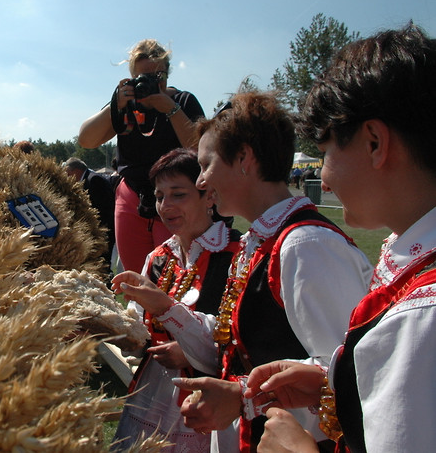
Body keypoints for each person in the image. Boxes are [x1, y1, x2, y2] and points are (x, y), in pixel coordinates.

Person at [113, 91, 371, 452]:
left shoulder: (305, 244)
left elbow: (352, 376)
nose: (202, 181)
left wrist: (243, 398)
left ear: (244, 158)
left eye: (206, 165)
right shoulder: (263, 240)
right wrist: (165, 309)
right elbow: (226, 347)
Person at [243, 25, 436, 453]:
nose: (323, 180)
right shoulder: (415, 263)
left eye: (327, 152)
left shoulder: (422, 315)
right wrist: (335, 382)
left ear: (374, 143)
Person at [112, 148, 241, 451]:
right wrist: (106, 325)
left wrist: (190, 352)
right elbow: (137, 320)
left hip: (211, 404)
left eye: (178, 194)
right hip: (154, 391)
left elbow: (244, 338)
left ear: (209, 196)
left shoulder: (236, 254)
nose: (165, 206)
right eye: (159, 196)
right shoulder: (158, 257)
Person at [79, 39, 205, 273]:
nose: (150, 83)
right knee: (136, 276)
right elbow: (86, 139)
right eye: (142, 78)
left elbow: (202, 148)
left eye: (158, 76)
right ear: (131, 78)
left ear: (167, 74)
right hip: (131, 196)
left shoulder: (183, 101)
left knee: (177, 274)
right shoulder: (125, 106)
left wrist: (170, 108)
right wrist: (116, 104)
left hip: (176, 196)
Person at [63, 157, 116, 260]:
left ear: (76, 171)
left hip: (104, 231)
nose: (68, 177)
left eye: (68, 173)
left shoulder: (94, 180)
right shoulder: (88, 179)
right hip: (98, 231)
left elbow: (102, 208)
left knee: (103, 260)